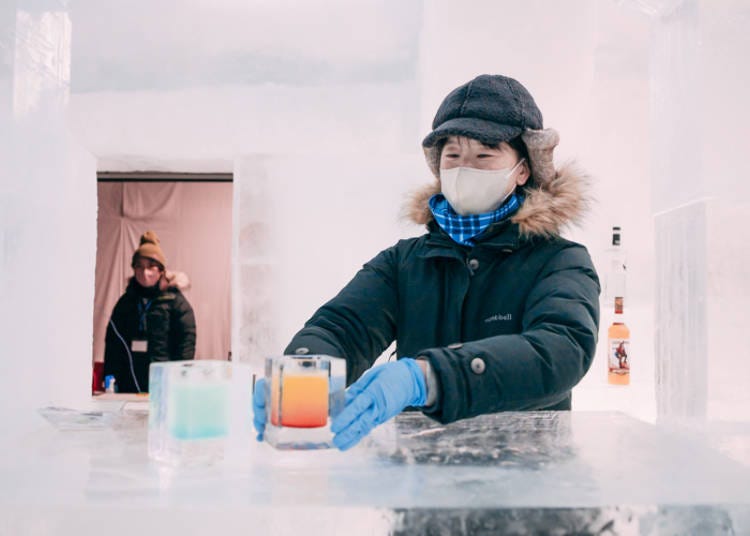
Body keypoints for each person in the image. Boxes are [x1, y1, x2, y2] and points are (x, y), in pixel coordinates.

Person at [253, 74, 600, 450]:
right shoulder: (404, 263)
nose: (465, 167)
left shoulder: (559, 261)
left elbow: (561, 350)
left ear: (523, 169)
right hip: (421, 481)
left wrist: (427, 377)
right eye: (453, 155)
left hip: (526, 482)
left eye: (485, 154)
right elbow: (342, 327)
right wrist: (304, 370)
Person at [103, 230, 196, 393]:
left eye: (151, 266)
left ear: (161, 270)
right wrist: (110, 377)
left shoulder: (176, 303)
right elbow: (112, 346)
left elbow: (186, 346)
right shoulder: (125, 303)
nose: (145, 273)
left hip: (164, 386)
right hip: (128, 386)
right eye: (139, 266)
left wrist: (181, 381)